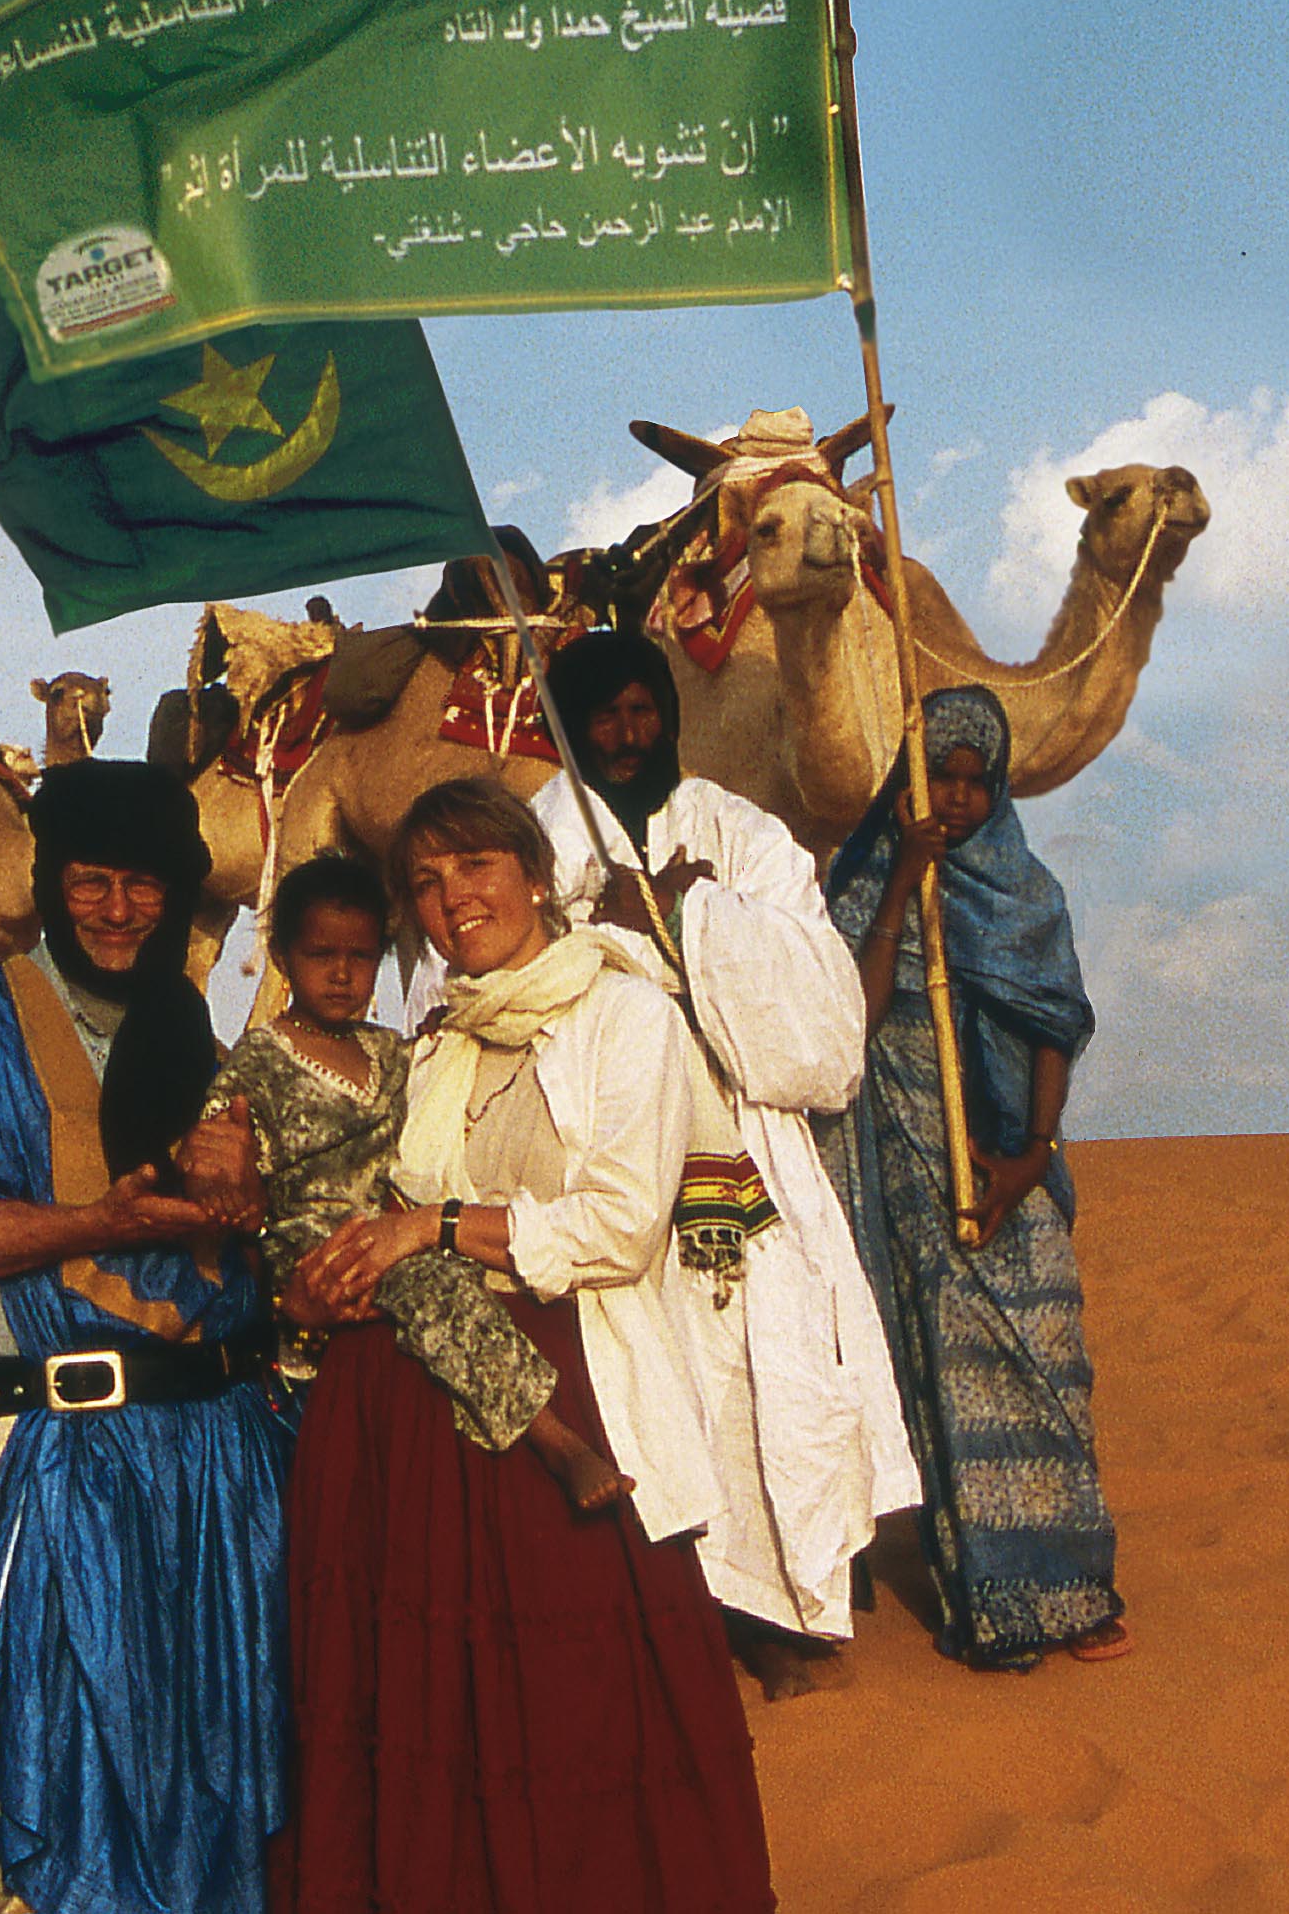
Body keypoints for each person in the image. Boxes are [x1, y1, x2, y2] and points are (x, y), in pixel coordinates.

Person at [274, 775, 772, 1913]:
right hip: (403, 1409)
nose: (454, 902)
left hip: (570, 1384)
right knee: (417, 1709)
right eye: (427, 883)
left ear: (538, 874)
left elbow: (616, 1223)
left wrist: (430, 1225)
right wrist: (333, 1270)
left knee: (578, 1700)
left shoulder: (624, 1013)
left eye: (477, 868)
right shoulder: (436, 1034)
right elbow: (379, 1194)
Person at [0, 760, 284, 1914]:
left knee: (224, 1765)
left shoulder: (206, 1041)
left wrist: (258, 1210)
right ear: (50, 884)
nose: (119, 910)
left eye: (145, 885)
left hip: (221, 1464)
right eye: (92, 882)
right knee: (55, 1763)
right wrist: (100, 1223)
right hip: (61, 1454)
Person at [530, 626, 922, 1693]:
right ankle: (674, 1616)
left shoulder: (743, 834)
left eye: (642, 709)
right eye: (603, 713)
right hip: (606, 1148)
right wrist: (609, 929)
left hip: (742, 1147)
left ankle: (779, 1604)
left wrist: (692, 911)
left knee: (773, 1358)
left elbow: (824, 1021)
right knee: (644, 1373)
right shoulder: (533, 842)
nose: (626, 733)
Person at [824, 685, 1128, 1670]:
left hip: (1012, 1159)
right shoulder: (866, 879)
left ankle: (1077, 1589)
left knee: (1049, 1363)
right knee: (953, 1375)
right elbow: (850, 1024)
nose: (956, 799)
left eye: (974, 781)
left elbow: (1052, 1021)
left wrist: (1033, 1151)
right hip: (916, 1152)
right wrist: (903, 878)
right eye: (939, 777)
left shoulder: (1025, 888)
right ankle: (995, 1604)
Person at [186, 854, 631, 1516]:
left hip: (393, 1226)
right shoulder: (257, 1063)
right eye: (320, 955)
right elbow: (223, 1182)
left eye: (361, 958)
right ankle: (555, 1438)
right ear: (282, 957)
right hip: (314, 1243)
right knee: (432, 1280)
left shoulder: (391, 1051)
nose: (341, 975)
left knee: (456, 1261)